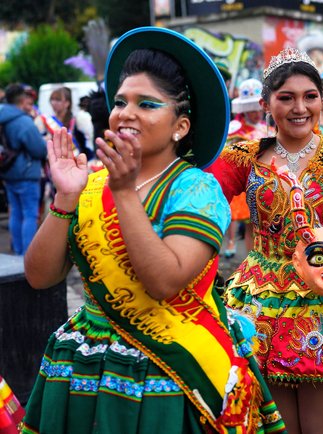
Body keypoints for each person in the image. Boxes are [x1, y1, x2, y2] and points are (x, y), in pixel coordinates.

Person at [20, 27, 284, 433]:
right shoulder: (90, 185)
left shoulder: (196, 188)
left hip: (170, 373)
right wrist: (65, 198)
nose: (126, 112)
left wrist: (123, 191)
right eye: (121, 101)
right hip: (85, 365)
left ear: (180, 126)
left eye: (147, 104)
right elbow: (39, 276)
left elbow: (165, 282)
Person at [210, 47, 323, 434]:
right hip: (261, 300)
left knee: (317, 426)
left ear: (322, 100)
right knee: (278, 426)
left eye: (310, 96)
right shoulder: (243, 158)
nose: (300, 107)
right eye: (286, 97)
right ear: (265, 104)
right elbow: (199, 204)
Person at [221, 78, 267, 258]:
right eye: (251, 109)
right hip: (245, 181)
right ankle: (248, 258)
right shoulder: (236, 130)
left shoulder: (267, 127)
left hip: (266, 181)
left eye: (258, 108)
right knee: (248, 222)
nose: (256, 113)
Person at [0, 84, 47, 255]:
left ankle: (18, 252)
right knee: (29, 214)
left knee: (16, 212)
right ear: (21, 100)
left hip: (7, 171)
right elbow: (38, 149)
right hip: (26, 173)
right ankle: (27, 255)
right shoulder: (23, 121)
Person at [36, 86, 94, 159]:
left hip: (77, 162)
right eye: (52, 99)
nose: (53, 103)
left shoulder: (77, 121)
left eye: (58, 100)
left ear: (67, 103)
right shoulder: (46, 121)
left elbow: (87, 143)